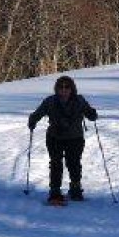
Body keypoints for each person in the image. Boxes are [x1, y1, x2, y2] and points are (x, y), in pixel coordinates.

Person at [28, 75, 98, 204]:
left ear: (72, 88)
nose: (64, 89)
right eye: (61, 87)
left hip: (75, 138)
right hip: (55, 137)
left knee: (74, 163)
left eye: (67, 87)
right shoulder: (50, 101)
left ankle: (75, 188)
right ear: (57, 88)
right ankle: (55, 191)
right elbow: (38, 113)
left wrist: (92, 114)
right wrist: (32, 120)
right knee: (56, 163)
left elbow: (89, 113)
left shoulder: (79, 100)